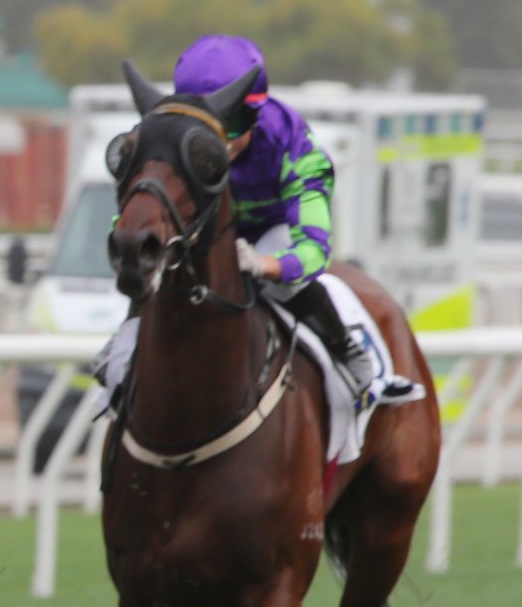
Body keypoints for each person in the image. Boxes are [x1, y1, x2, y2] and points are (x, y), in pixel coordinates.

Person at [171, 35, 419, 404]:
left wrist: (265, 265)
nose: (220, 141)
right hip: (209, 232)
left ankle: (348, 353)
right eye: (204, 126)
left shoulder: (293, 145)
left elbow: (314, 251)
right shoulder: (169, 141)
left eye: (233, 123)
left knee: (288, 284)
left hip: (272, 230)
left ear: (255, 113)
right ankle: (122, 352)